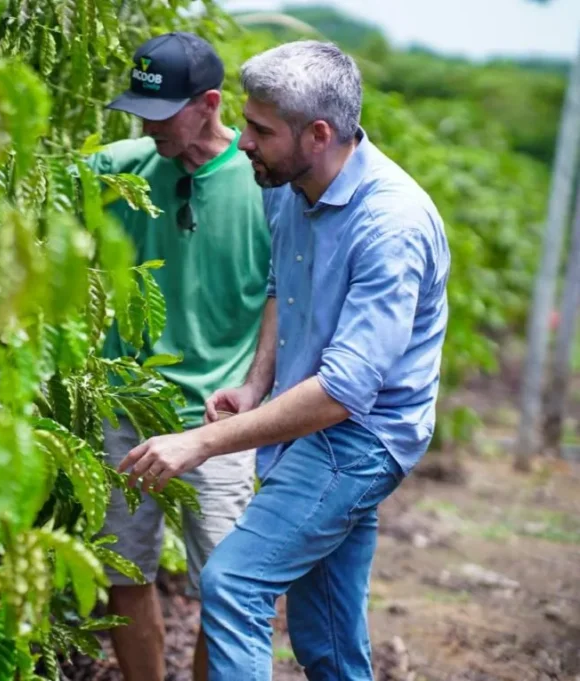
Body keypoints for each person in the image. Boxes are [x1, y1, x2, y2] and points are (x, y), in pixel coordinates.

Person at [117, 40, 451, 680]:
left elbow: (342, 393)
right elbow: (280, 284)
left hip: (358, 439)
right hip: (313, 427)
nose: (241, 142)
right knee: (324, 633)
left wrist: (201, 442)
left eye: (260, 130)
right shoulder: (288, 183)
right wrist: (256, 383)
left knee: (234, 586)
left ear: (318, 133)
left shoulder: (391, 226)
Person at [84, 31, 271, 681]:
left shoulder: (265, 184)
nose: (145, 124)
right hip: (125, 404)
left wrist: (253, 388)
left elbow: (283, 295)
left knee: (227, 588)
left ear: (209, 104)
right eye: (138, 109)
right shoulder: (123, 168)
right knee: (123, 571)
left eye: (159, 113)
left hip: (218, 421)